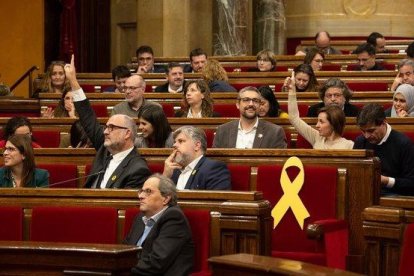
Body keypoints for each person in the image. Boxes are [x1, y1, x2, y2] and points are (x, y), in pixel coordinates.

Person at [64, 55, 151, 189]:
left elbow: (121, 206)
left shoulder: (138, 169)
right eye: (106, 127)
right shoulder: (104, 150)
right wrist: (73, 80)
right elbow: (88, 118)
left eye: (111, 128)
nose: (105, 131)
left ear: (127, 133)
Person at [123, 173, 194, 275]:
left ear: (165, 198)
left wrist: (123, 268)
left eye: (148, 192)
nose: (141, 196)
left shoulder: (174, 218)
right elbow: (125, 251)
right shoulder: (140, 218)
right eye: (141, 191)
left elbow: (156, 263)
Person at [353, 103, 414, 195]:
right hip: (365, 192)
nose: (366, 136)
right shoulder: (360, 141)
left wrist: (386, 181)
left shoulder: (404, 144)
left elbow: (411, 183)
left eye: (371, 131)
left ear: (384, 122)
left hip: (395, 195)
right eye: (363, 131)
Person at [287, 71, 354, 149]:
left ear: (333, 123)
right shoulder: (317, 137)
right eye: (329, 95)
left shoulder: (349, 145)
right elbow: (294, 118)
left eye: (321, 122)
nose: (317, 125)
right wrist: (292, 90)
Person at [213, 86, 287, 149]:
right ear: (238, 104)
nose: (251, 104)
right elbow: (215, 163)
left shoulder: (275, 132)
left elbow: (276, 165)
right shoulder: (222, 131)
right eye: (246, 100)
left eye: (255, 101)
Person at [163, 126, 231, 190]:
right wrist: (165, 176)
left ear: (197, 145)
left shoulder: (214, 168)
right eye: (175, 142)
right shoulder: (173, 170)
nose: (174, 145)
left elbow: (216, 201)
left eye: (180, 141)